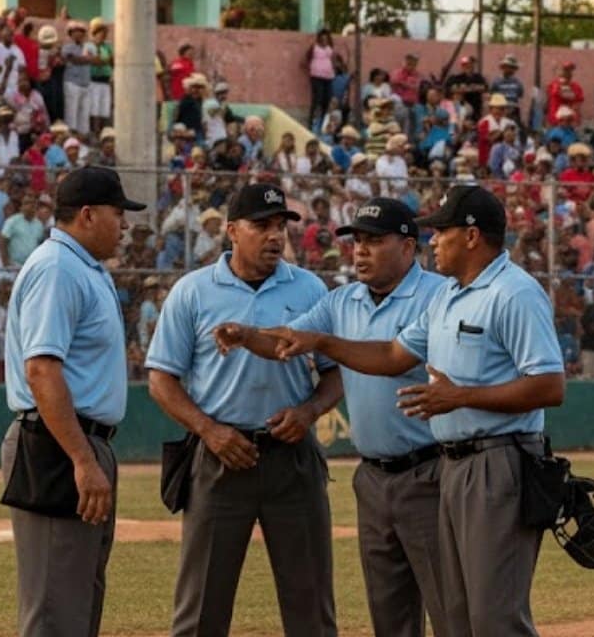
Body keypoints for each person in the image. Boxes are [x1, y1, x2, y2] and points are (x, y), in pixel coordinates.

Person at [261, 185, 565, 637]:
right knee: (461, 615)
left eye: (440, 231)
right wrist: (321, 341)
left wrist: (460, 397)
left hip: (500, 460)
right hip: (456, 463)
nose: (433, 241)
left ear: (471, 236)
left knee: (495, 618)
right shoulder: (448, 296)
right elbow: (390, 356)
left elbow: (550, 385)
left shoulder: (514, 292)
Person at [214, 198, 450, 637]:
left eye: (374, 241)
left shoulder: (439, 295)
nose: (360, 250)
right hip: (374, 478)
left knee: (451, 610)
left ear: (408, 247)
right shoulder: (343, 300)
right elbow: (289, 341)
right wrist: (247, 336)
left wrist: (322, 342)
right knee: (390, 615)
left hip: (430, 472)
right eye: (356, 240)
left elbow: (391, 358)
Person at [145, 184, 337, 637]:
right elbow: (160, 379)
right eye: (261, 226)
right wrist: (209, 431)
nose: (274, 236)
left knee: (310, 604)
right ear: (232, 231)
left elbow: (336, 371)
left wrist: (309, 412)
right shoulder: (193, 291)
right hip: (220, 457)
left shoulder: (310, 288)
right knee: (201, 608)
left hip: (292, 457)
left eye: (280, 227)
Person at [2, 166, 146, 636]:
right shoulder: (58, 267)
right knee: (54, 612)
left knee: (78, 604)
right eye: (118, 213)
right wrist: (82, 459)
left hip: (79, 441)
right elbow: (42, 369)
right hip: (58, 445)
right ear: (87, 214)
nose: (124, 225)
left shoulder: (84, 266)